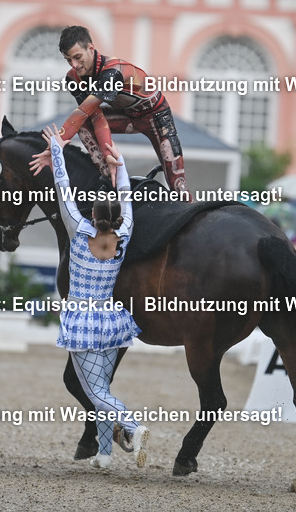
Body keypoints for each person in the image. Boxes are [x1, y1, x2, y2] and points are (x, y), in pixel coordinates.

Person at [38, 123, 150, 469]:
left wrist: (58, 148)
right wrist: (121, 167)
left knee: (96, 392)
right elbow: (127, 200)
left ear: (93, 215)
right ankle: (104, 453)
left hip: (83, 320)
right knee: (101, 387)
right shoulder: (124, 234)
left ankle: (133, 427)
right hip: (111, 319)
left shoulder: (79, 230)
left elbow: (62, 189)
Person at [51, 25, 188, 196]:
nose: (74, 65)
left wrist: (56, 145)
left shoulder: (113, 71)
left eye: (78, 57)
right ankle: (111, 180)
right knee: (85, 124)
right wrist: (107, 155)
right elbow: (94, 116)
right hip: (128, 116)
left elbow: (83, 111)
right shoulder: (73, 78)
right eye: (68, 60)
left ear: (91, 49)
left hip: (157, 117)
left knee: (178, 185)